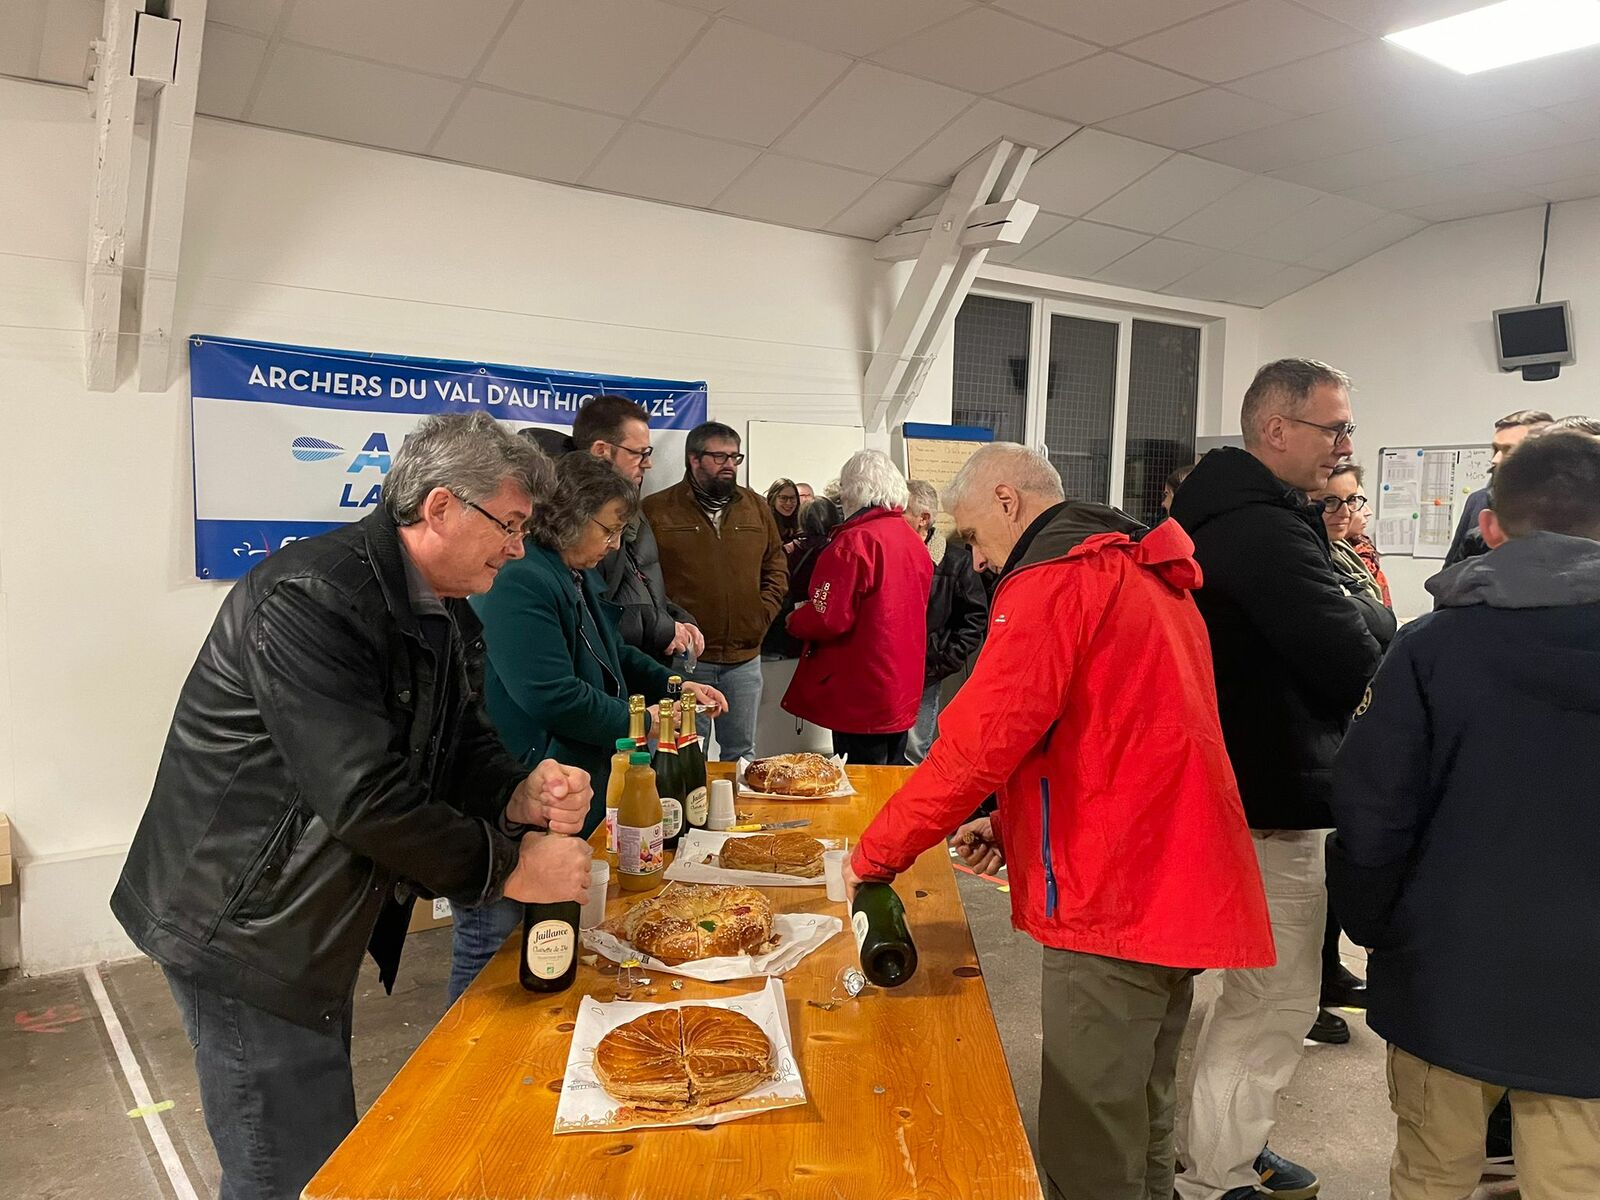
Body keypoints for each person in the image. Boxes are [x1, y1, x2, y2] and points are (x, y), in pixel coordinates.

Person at [111, 413, 597, 1200]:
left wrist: (515, 791)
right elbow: (362, 794)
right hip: (244, 922)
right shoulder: (313, 596)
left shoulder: (442, 604)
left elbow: (459, 742)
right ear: (440, 507)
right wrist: (511, 866)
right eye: (509, 525)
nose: (517, 548)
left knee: (312, 1144)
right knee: (290, 1167)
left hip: (304, 914)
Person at [843, 443, 1274, 1200]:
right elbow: (1111, 732)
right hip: (1171, 873)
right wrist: (1012, 824)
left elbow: (977, 745)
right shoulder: (1137, 567)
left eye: (972, 537)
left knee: (1090, 1131)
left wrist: (873, 857)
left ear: (1007, 500)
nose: (976, 560)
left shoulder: (1056, 578)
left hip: (1112, 894)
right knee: (1142, 1104)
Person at [1330, 430, 1600, 1200]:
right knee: (1576, 1180)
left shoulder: (1428, 649)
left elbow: (1371, 809)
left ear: (1489, 525)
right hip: (1588, 992)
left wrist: (1372, 926)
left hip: (1443, 969)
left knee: (1431, 1173)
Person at [1170, 359, 1391, 1200]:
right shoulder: (1262, 531)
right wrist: (1379, 627)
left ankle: (1226, 1146)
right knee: (1274, 1000)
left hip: (1240, 783)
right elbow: (1350, 661)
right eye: (1333, 427)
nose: (1344, 444)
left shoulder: (1229, 515)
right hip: (1271, 797)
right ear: (1276, 429)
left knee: (1253, 995)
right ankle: (1216, 1174)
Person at [449, 454, 726, 999]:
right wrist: (647, 723)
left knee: (545, 940)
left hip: (564, 791)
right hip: (522, 791)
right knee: (494, 948)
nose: (615, 545)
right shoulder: (522, 579)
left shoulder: (571, 573)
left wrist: (675, 688)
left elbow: (616, 654)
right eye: (609, 529)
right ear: (569, 515)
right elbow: (552, 696)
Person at [1304, 461, 1396, 1046]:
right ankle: (1310, 988)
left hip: (1354, 727)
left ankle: (1330, 971)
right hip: (1323, 730)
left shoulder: (1355, 558)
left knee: (1336, 864)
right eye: (1331, 503)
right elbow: (1364, 636)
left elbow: (1383, 622)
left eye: (1352, 500)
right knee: (1309, 880)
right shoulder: (1310, 563)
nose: (1344, 513)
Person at [645, 421, 787, 762]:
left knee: (742, 754)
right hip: (685, 659)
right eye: (719, 457)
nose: (729, 465)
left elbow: (776, 566)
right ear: (693, 459)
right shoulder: (656, 510)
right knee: (684, 754)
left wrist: (760, 616)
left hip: (744, 659)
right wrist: (667, 626)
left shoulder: (756, 507)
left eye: (734, 457)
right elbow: (643, 579)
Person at [782, 451, 932, 765]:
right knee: (891, 775)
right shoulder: (912, 541)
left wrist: (796, 619)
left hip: (860, 690)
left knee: (857, 779)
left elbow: (828, 618)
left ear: (853, 491)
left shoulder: (853, 543)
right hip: (901, 686)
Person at [569, 395, 702, 667]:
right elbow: (587, 611)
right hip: (605, 670)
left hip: (640, 666)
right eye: (638, 453)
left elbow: (639, 583)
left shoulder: (630, 504)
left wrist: (675, 617)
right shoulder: (574, 517)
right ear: (601, 450)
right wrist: (661, 626)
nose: (647, 463)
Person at [901, 478, 987, 765]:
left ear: (923, 519)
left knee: (914, 752)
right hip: (890, 671)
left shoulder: (955, 562)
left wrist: (940, 660)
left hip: (926, 671)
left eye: (901, 511)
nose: (893, 518)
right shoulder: (891, 554)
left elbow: (975, 619)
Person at [1442, 408, 1552, 566]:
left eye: (1508, 449)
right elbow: (1451, 569)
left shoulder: (1564, 508)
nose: (1495, 459)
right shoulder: (1478, 500)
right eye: (1496, 449)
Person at [762, 496, 841, 661]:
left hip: (790, 627)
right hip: (829, 627)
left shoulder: (789, 551)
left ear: (802, 520)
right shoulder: (841, 549)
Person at [765, 477, 802, 552]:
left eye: (792, 498)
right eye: (783, 498)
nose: (788, 503)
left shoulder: (802, 523)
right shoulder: (765, 524)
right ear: (773, 498)